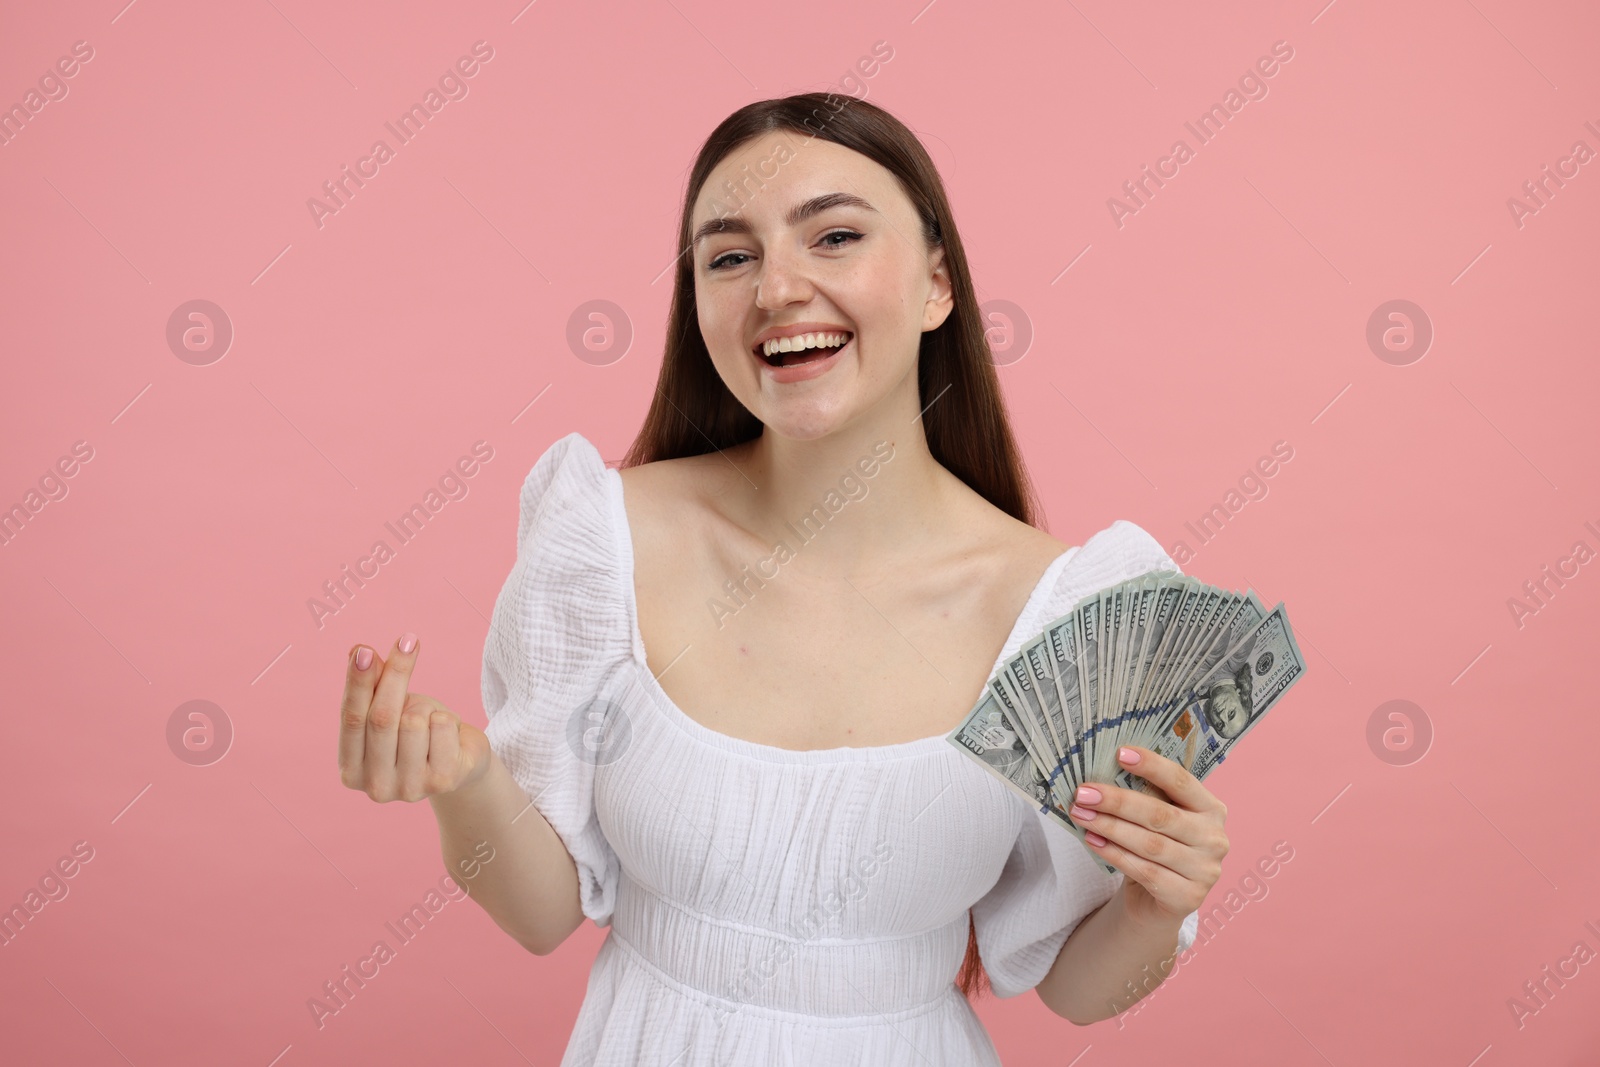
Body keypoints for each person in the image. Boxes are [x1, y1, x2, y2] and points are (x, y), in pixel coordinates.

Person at [336, 92, 1229, 1064]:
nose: (776, 289)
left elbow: (1077, 989)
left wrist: (1155, 901)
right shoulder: (601, 540)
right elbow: (543, 912)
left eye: (834, 236)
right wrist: (463, 779)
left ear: (938, 283)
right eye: (729, 256)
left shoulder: (1066, 618)